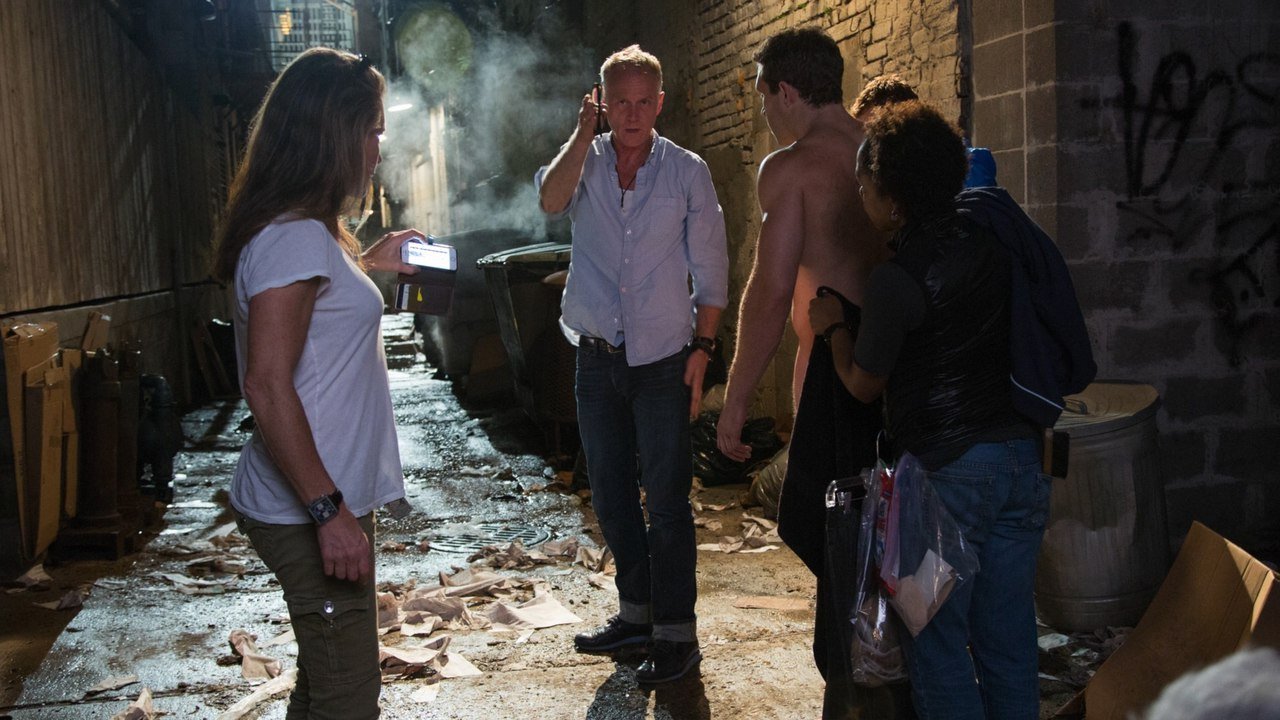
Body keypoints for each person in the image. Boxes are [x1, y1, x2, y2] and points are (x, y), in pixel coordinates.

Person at [810, 99, 1048, 720]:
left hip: (945, 482)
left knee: (937, 648)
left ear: (893, 198)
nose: (860, 195)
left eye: (864, 185)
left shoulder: (897, 278)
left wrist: (833, 328)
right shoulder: (997, 244)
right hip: (1022, 464)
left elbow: (863, 384)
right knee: (1008, 644)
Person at [212, 48, 422, 719]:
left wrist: (368, 263)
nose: (378, 150)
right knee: (348, 699)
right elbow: (267, 386)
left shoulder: (304, 233)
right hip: (309, 504)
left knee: (323, 684)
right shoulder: (295, 239)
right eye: (372, 132)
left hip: (321, 496)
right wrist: (329, 513)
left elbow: (313, 308)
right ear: (334, 134)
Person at [713, 32, 907, 713]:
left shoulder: (791, 169)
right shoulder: (883, 151)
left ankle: (854, 696)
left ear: (787, 92)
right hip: (899, 374)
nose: (764, 111)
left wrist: (736, 400)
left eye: (764, 96)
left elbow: (770, 293)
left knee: (840, 548)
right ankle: (882, 685)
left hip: (838, 378)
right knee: (892, 543)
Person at [535, 44, 728, 684]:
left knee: (666, 501)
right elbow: (549, 201)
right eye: (620, 101)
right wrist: (580, 133)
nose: (633, 113)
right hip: (596, 358)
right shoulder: (584, 160)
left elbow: (712, 268)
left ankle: (676, 633)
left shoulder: (687, 172)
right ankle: (636, 614)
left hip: (663, 360)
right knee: (612, 495)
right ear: (601, 102)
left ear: (660, 103)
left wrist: (703, 349)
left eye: (645, 101)